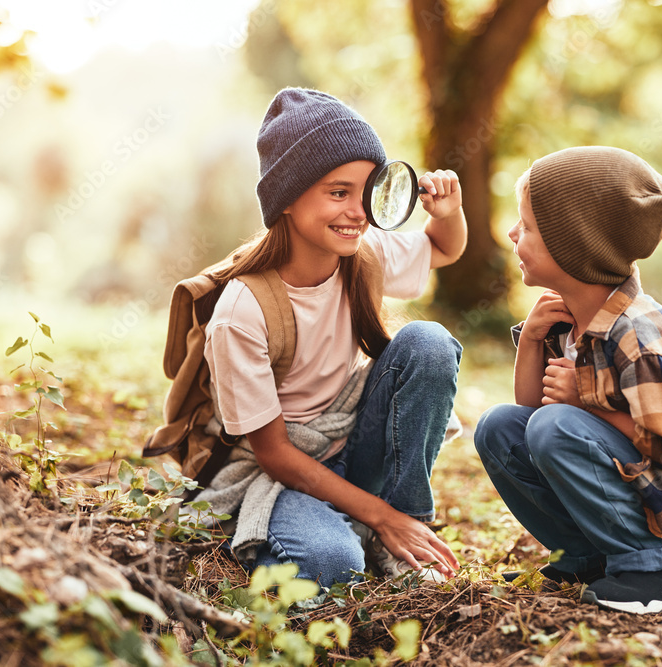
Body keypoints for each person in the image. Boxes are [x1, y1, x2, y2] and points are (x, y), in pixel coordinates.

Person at [191, 88, 466, 588]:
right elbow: (273, 452)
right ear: (287, 201)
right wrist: (376, 513)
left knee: (429, 342)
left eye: (367, 193)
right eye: (338, 193)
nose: (358, 211)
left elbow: (442, 250)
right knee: (333, 563)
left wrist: (447, 214)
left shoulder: (365, 250)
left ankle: (403, 532)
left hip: (352, 437)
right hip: (286, 468)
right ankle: (352, 527)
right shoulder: (243, 310)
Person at [474, 146, 662, 614]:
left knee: (554, 426)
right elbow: (530, 410)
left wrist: (585, 404)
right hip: (634, 485)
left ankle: (658, 574)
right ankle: (586, 559)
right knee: (499, 426)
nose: (511, 232)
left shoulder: (640, 338)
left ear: (573, 247)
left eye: (528, 227)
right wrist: (530, 342)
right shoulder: (567, 319)